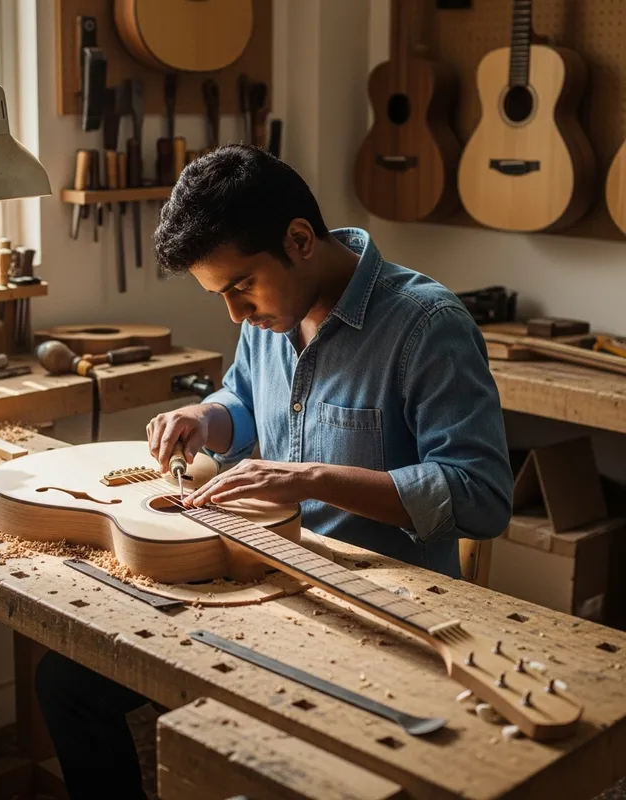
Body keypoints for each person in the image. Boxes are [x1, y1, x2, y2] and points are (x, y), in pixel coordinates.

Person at [36, 144, 514, 799]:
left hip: (374, 610)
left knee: (248, 755)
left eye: (239, 288)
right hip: (262, 582)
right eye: (220, 295)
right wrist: (205, 418)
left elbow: (483, 496)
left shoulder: (428, 325)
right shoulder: (272, 311)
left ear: (299, 240)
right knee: (66, 681)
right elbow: (245, 401)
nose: (234, 314)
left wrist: (310, 479)